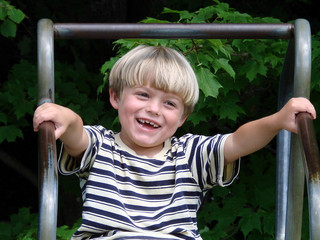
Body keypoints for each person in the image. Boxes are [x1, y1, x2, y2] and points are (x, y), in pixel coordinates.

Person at [33, 45, 316, 240]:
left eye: (169, 103)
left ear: (182, 118)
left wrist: (278, 120)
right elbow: (75, 134)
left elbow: (239, 141)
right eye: (143, 95)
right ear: (116, 97)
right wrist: (65, 116)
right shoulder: (100, 146)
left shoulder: (189, 154)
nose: (154, 109)